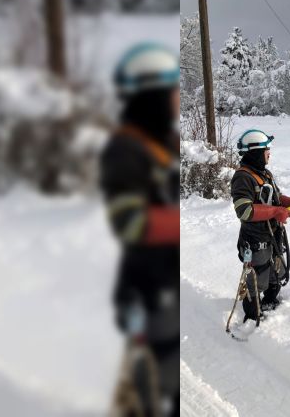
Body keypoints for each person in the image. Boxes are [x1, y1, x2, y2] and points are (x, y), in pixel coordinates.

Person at [100, 42, 180, 416]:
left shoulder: (166, 141)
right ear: (153, 95)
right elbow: (129, 222)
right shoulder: (124, 150)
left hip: (168, 280)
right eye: (173, 90)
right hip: (147, 291)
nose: (179, 98)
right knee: (158, 390)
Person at [230, 129, 290, 323]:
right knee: (256, 278)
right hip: (256, 239)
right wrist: (276, 212)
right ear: (256, 152)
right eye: (266, 149)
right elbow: (245, 211)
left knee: (276, 272)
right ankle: (252, 316)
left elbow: (276, 198)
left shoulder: (265, 173)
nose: (269, 153)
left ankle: (271, 301)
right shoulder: (243, 177)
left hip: (273, 235)